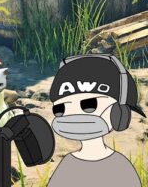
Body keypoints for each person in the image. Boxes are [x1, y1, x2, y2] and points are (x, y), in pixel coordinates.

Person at [47, 55, 144, 187]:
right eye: (60, 109)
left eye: (89, 106)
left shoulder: (120, 166)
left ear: (120, 113)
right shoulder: (68, 163)